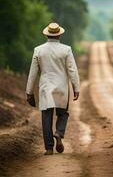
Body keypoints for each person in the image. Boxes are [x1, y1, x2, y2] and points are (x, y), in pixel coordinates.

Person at [26, 22, 80, 155]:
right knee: (63, 113)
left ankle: (49, 148)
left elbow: (33, 73)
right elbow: (72, 70)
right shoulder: (66, 49)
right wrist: (76, 87)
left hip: (45, 87)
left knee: (46, 116)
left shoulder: (38, 50)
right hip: (62, 88)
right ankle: (59, 133)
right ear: (60, 34)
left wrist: (29, 92)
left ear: (46, 35)